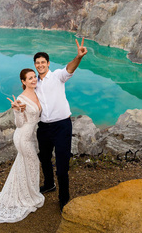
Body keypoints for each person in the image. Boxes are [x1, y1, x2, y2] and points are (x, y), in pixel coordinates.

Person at [0, 68, 44, 223]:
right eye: (29, 78)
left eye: (34, 77)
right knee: (32, 163)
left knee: (25, 164)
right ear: (23, 82)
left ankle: (28, 194)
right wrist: (17, 111)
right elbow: (19, 124)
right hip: (23, 136)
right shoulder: (21, 98)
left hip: (32, 136)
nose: (33, 80)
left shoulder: (38, 92)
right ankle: (28, 197)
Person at [25, 38, 88, 212]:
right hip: (44, 127)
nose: (40, 65)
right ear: (35, 65)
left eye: (43, 62)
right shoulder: (34, 84)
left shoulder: (58, 76)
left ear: (48, 63)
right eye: (37, 63)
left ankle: (64, 199)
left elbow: (70, 68)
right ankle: (49, 184)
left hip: (62, 126)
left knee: (61, 165)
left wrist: (79, 57)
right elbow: (27, 99)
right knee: (44, 158)